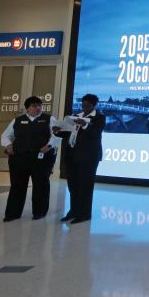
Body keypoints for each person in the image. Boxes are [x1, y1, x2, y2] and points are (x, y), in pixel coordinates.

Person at [1, 96, 61, 221]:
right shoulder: (17, 120)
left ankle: (39, 212)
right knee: (17, 186)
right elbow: (5, 136)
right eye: (34, 105)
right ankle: (12, 214)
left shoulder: (49, 119)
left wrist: (49, 145)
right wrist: (8, 145)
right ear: (27, 108)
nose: (38, 108)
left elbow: (57, 135)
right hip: (19, 158)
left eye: (39, 105)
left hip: (41, 158)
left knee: (41, 185)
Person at [54, 93, 105, 223]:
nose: (84, 108)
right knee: (73, 185)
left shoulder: (99, 118)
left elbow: (95, 132)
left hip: (89, 157)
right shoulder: (75, 116)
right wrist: (58, 131)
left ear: (94, 105)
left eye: (87, 105)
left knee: (85, 186)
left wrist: (85, 125)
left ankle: (84, 214)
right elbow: (67, 133)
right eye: (83, 105)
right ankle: (73, 211)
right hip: (72, 155)